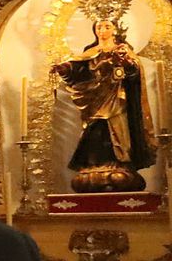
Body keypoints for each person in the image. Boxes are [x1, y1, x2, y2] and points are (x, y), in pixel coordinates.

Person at [52, 16, 157, 191]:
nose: (102, 30)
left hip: (117, 98)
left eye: (107, 26)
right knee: (95, 129)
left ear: (114, 29)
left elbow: (133, 73)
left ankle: (120, 164)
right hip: (94, 99)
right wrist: (64, 69)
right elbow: (78, 73)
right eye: (99, 27)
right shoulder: (90, 52)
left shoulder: (122, 50)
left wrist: (125, 63)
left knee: (117, 128)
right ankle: (94, 165)